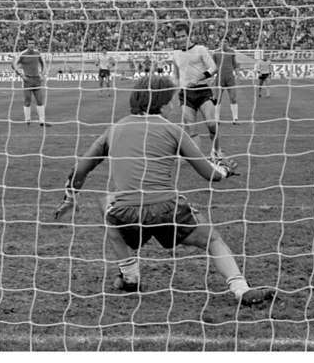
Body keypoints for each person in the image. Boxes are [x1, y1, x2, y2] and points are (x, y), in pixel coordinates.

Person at [54, 75, 275, 306]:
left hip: (127, 213)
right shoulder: (173, 130)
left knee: (107, 205)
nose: (174, 107)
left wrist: (70, 197)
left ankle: (130, 277)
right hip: (167, 210)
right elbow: (210, 174)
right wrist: (225, 170)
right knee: (212, 240)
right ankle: (241, 289)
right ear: (161, 104)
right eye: (171, 101)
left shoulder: (114, 129)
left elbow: (80, 169)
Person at [172, 22, 223, 159]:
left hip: (203, 91)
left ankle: (217, 151)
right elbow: (176, 75)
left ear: (189, 35)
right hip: (185, 94)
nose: (181, 39)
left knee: (211, 123)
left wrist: (198, 78)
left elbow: (213, 68)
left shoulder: (200, 49)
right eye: (178, 37)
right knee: (191, 129)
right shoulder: (175, 54)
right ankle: (199, 159)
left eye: (183, 36)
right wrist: (175, 90)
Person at [12, 39, 49, 127]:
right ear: (27, 44)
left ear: (34, 44)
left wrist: (42, 74)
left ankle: (42, 121)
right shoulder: (23, 54)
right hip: (27, 80)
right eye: (29, 43)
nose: (31, 45)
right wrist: (21, 75)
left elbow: (43, 64)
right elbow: (13, 65)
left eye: (32, 43)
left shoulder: (37, 53)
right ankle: (27, 120)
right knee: (27, 100)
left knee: (39, 100)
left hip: (37, 80)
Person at [212, 38, 240, 124]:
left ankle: (235, 119)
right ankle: (217, 119)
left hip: (230, 78)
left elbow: (235, 64)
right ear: (219, 43)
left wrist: (238, 74)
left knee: (233, 98)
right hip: (219, 78)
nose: (223, 43)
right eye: (222, 41)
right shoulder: (215, 52)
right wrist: (212, 77)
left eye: (225, 42)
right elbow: (213, 66)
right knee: (217, 99)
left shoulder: (231, 52)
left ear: (228, 43)